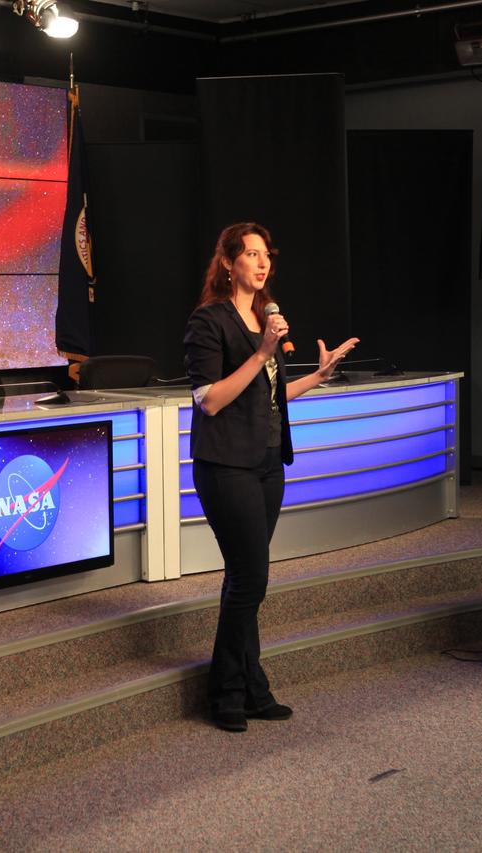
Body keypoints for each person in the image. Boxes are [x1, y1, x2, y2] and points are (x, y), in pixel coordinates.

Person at [183, 222, 359, 733]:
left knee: (246, 579)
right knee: (250, 579)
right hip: (225, 466)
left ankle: (251, 688)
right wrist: (261, 352)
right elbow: (210, 399)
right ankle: (226, 692)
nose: (262, 264)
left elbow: (271, 395)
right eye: (252, 255)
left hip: (266, 463)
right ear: (229, 262)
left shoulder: (265, 318)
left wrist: (318, 377)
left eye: (267, 256)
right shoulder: (209, 321)